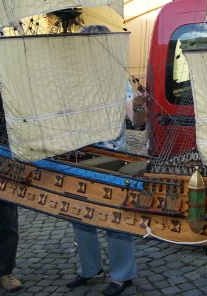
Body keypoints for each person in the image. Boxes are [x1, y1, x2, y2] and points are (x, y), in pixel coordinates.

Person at [65, 24, 137, 296]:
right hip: (79, 156)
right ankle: (89, 269)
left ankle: (122, 275)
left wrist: (139, 105)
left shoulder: (117, 78)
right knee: (80, 216)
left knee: (116, 218)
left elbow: (135, 117)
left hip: (112, 158)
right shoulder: (73, 80)